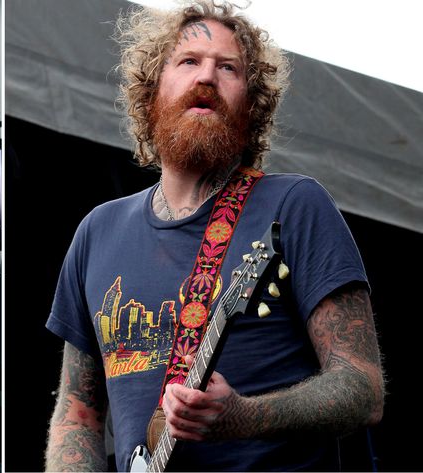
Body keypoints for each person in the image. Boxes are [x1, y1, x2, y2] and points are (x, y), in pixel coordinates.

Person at [44, 1, 384, 471]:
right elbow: (77, 415)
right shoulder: (97, 231)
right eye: (188, 62)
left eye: (228, 68)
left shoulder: (293, 205)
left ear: (252, 106)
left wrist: (245, 416)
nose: (206, 78)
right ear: (151, 93)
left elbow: (362, 388)